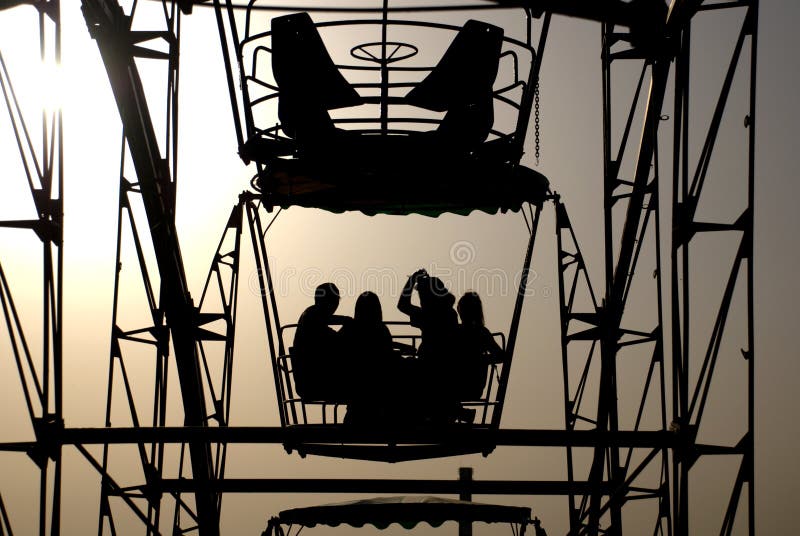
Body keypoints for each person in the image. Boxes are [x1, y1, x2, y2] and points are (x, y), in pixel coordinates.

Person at [397, 269, 459, 422]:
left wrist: (411, 281)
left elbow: (402, 305)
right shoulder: (449, 313)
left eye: (422, 296)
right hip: (444, 367)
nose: (421, 300)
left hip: (431, 365)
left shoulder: (430, 314)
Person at [339, 291, 397, 423]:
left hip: (351, 380)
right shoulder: (382, 330)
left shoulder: (349, 328)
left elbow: (338, 345)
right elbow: (386, 354)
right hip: (378, 380)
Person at [292, 282, 350, 400]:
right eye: (333, 300)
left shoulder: (311, 319)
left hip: (311, 381)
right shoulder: (311, 319)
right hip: (315, 382)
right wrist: (348, 324)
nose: (335, 305)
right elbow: (336, 342)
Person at [455, 291, 504, 401]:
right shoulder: (481, 332)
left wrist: (480, 359)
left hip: (467, 388)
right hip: (467, 387)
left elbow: (501, 356)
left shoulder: (480, 332)